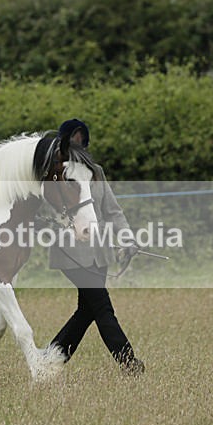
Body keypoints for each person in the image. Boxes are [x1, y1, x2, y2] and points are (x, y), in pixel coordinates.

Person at [45, 118, 145, 375]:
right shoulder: (56, 175)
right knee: (101, 307)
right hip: (71, 253)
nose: (79, 146)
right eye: (74, 140)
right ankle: (129, 363)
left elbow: (113, 212)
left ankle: (50, 359)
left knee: (86, 310)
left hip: (99, 253)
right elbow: (49, 212)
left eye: (83, 141)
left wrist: (127, 239)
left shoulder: (97, 172)